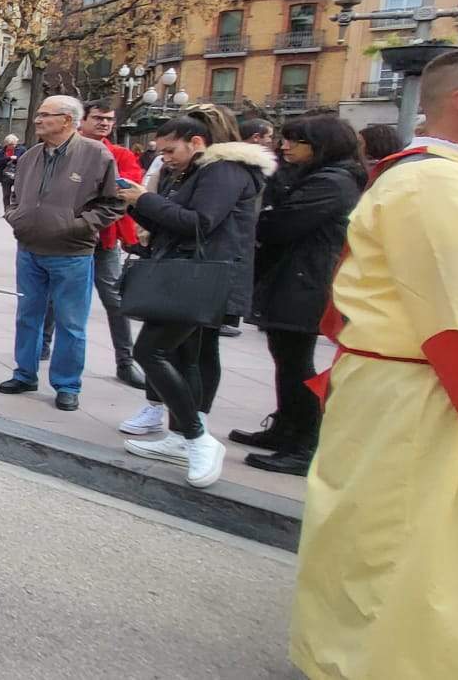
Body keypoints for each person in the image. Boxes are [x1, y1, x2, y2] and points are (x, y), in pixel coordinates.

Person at [290, 48, 458, 679]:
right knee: (397, 539)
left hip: (415, 382)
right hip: (418, 391)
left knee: (405, 534)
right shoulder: (434, 182)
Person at [114, 113, 274, 488]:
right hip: (194, 273)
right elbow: (175, 222)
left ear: (196, 142)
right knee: (189, 356)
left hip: (201, 277)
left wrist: (145, 198)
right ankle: (182, 437)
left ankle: (198, 437)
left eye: (170, 150)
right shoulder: (198, 170)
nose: (164, 157)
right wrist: (137, 204)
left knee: (150, 351)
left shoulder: (223, 171)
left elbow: (200, 223)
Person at [236, 116, 363, 476]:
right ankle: (285, 428)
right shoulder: (314, 176)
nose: (284, 146)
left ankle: (305, 443)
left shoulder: (334, 181)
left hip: (306, 280)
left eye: (295, 141)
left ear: (322, 145)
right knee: (286, 357)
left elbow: (281, 224)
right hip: (295, 276)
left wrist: (270, 214)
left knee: (296, 363)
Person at [0, 97, 122, 412]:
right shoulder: (30, 156)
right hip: (29, 249)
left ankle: (67, 385)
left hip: (72, 254)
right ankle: (24, 373)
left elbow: (114, 202)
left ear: (67, 120)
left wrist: (80, 226)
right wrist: (15, 217)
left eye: (44, 115)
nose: (37, 120)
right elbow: (12, 194)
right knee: (28, 315)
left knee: (71, 322)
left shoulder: (96, 155)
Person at [58, 101, 146, 387]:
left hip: (104, 240)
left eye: (109, 119)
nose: (104, 123)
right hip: (65, 237)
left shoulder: (121, 154)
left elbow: (126, 192)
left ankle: (125, 361)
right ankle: (42, 349)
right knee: (52, 297)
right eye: (98, 118)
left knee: (115, 299)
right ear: (82, 120)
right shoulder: (65, 150)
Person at [0, 134, 21, 207]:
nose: (12, 146)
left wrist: (16, 159)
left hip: (18, 175)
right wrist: (8, 158)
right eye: (10, 144)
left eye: (13, 144)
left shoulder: (21, 150)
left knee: (17, 194)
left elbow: (26, 160)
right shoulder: (1, 151)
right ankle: (6, 210)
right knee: (6, 195)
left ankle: (16, 210)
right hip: (5, 176)